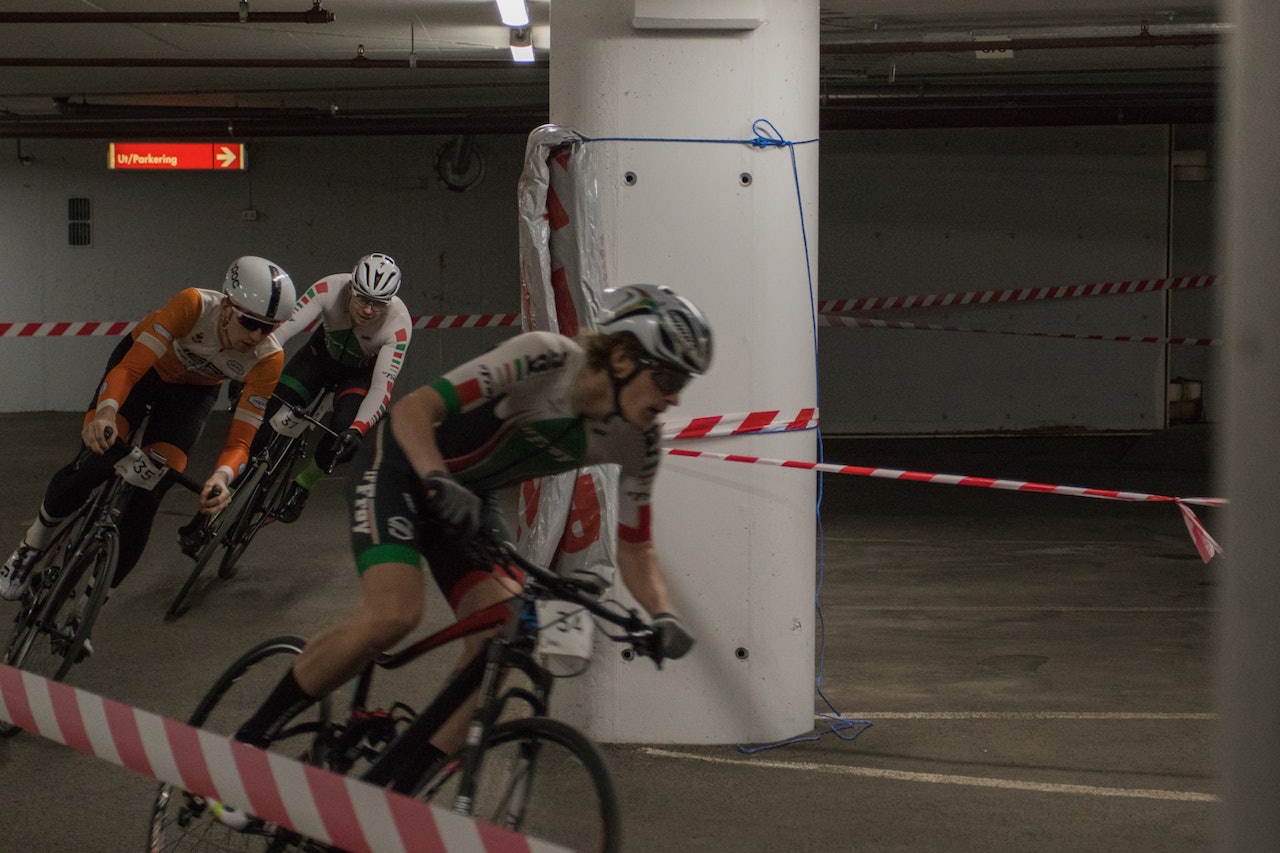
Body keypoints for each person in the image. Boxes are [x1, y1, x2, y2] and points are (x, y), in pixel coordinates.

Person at [233, 284, 712, 759]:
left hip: (467, 497)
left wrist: (663, 614)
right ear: (624, 357)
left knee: (503, 632)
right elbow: (417, 409)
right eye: (669, 380)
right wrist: (435, 475)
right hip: (400, 466)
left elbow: (636, 548)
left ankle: (401, 780)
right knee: (394, 614)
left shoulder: (639, 441)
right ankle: (249, 741)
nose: (674, 399)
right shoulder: (545, 359)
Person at [0, 256, 297, 611]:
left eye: (269, 327)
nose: (256, 336)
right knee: (96, 460)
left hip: (191, 396)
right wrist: (107, 411)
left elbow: (240, 442)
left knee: (150, 492)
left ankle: (93, 602)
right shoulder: (194, 305)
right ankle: (31, 547)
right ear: (228, 306)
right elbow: (129, 369)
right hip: (143, 372)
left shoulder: (268, 357)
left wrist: (222, 476)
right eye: (250, 322)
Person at [247, 252, 413, 524]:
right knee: (267, 412)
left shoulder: (399, 323)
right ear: (351, 287)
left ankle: (303, 484)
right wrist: (252, 371)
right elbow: (281, 332)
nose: (369, 310)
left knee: (341, 431)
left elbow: (381, 387)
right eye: (362, 298)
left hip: (358, 376)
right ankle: (234, 489)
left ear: (390, 301)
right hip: (318, 358)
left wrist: (357, 430)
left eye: (379, 303)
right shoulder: (330, 287)